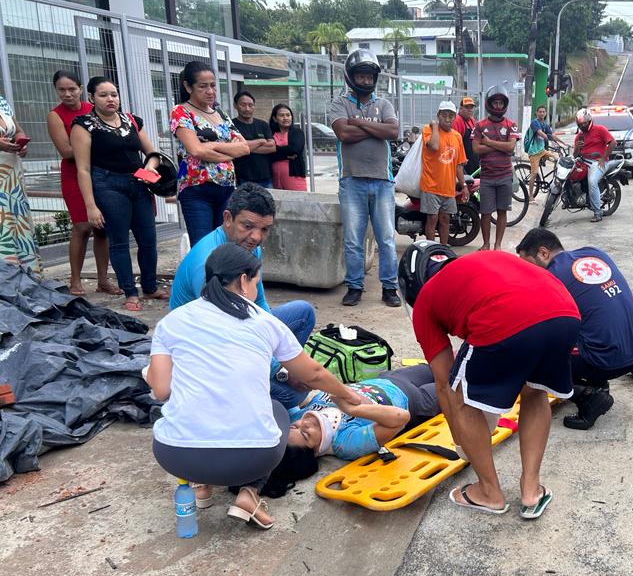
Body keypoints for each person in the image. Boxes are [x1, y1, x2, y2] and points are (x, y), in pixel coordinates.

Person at [148, 243, 358, 530]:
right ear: (244, 280)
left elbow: (161, 391)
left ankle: (200, 486)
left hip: (176, 456)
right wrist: (346, 395)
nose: (256, 290)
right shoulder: (263, 322)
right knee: (277, 409)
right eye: (257, 282)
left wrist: (151, 372)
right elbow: (314, 373)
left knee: (192, 408)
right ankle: (249, 493)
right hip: (253, 459)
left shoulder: (171, 322)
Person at [400, 240, 581, 519]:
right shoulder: (479, 263)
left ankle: (489, 492)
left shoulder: (425, 301)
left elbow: (444, 384)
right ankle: (531, 492)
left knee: (460, 398)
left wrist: (461, 441)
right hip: (565, 312)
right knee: (534, 392)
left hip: (508, 315)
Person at [169, 182, 316, 410]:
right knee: (294, 397)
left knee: (303, 312)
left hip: (237, 327)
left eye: (264, 229)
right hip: (206, 350)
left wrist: (285, 362)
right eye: (248, 226)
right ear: (228, 218)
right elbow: (227, 334)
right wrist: (284, 371)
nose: (256, 237)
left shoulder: (247, 247)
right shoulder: (208, 263)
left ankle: (264, 377)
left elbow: (260, 304)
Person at [516, 228, 633, 430]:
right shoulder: (594, 253)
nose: (529, 273)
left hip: (609, 359)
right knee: (585, 325)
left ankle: (588, 396)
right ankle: (597, 382)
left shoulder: (551, 277)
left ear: (543, 253)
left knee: (530, 354)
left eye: (529, 265)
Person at [70, 77, 163, 312]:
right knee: (119, 240)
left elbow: (152, 152)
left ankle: (150, 287)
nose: (111, 99)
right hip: (107, 184)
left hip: (138, 183)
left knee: (148, 239)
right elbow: (82, 168)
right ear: (91, 98)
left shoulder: (130, 120)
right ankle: (130, 292)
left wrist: (150, 166)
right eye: (103, 95)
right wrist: (90, 205)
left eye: (114, 94)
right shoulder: (83, 125)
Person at [272, 364, 441, 486]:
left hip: (388, 380)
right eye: (305, 434)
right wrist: (354, 409)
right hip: (415, 400)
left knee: (442, 362)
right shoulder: (344, 442)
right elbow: (400, 418)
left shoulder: (298, 416)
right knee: (458, 381)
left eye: (295, 426)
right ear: (315, 452)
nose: (305, 424)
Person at [328, 48, 401, 308]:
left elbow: (393, 131)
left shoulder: (384, 104)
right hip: (352, 181)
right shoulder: (339, 103)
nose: (366, 81)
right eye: (361, 76)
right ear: (351, 77)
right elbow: (343, 135)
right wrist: (374, 129)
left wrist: (358, 122)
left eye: (370, 77)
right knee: (353, 239)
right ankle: (354, 286)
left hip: (382, 181)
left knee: (387, 239)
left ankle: (390, 287)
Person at [47, 70, 118, 295]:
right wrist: (96, 146)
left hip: (99, 173)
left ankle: (103, 280)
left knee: (101, 229)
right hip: (73, 175)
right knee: (81, 227)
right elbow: (66, 150)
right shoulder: (55, 115)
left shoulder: (93, 108)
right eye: (62, 90)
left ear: (81, 90)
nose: (67, 94)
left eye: (72, 89)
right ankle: (75, 280)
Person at [171, 60, 249, 245]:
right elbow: (195, 150)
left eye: (213, 86)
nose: (210, 91)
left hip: (227, 188)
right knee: (204, 247)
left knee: (225, 244)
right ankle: (202, 276)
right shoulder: (181, 112)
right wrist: (230, 152)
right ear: (188, 87)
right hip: (197, 188)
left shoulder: (221, 114)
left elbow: (244, 148)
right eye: (203, 86)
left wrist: (212, 146)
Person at [471, 87, 519, 251]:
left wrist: (489, 142)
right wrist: (502, 147)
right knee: (485, 212)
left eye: (501, 103)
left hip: (505, 175)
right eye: (495, 102)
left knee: (502, 211)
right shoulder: (479, 125)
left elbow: (511, 147)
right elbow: (476, 149)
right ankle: (486, 244)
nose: (498, 106)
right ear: (489, 104)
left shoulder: (511, 125)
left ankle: (498, 245)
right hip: (487, 176)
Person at [420, 100, 467, 245]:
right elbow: (434, 146)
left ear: (455, 117)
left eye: (451, 116)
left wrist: (464, 185)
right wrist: (434, 127)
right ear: (438, 115)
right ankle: (430, 249)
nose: (447, 119)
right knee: (432, 218)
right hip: (430, 185)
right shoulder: (428, 130)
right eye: (444, 115)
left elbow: (459, 164)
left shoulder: (457, 137)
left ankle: (443, 249)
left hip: (448, 187)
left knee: (445, 219)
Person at [0, 95, 39, 270]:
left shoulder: (1, 102)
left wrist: (21, 142)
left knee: (14, 222)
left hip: (11, 177)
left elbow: (17, 129)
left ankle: (21, 274)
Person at [573, 109, 615, 224]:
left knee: (592, 181)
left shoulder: (600, 129)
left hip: (598, 162)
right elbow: (575, 155)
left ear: (589, 121)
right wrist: (577, 147)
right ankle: (569, 198)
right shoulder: (579, 136)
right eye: (580, 125)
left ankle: (598, 212)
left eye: (584, 124)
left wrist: (603, 157)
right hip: (583, 161)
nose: (582, 126)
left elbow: (613, 142)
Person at [231, 90, 275, 188]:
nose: (247, 109)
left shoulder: (263, 124)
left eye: (250, 105)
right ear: (235, 105)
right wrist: (261, 141)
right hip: (243, 179)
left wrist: (245, 147)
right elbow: (234, 149)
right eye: (243, 105)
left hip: (266, 179)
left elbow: (272, 147)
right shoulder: (231, 125)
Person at [268, 103, 307, 191]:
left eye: (288, 115)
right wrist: (286, 155)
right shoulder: (270, 134)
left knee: (298, 202)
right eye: (281, 115)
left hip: (294, 176)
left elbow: (295, 149)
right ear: (275, 118)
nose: (285, 118)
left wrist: (275, 151)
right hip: (274, 178)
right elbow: (267, 154)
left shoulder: (297, 132)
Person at [524, 105, 558, 203]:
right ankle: (530, 197)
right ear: (537, 113)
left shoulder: (545, 124)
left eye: (543, 112)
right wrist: (549, 138)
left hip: (542, 151)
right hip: (534, 152)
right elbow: (540, 133)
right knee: (534, 174)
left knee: (557, 159)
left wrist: (558, 144)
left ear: (546, 113)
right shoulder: (534, 123)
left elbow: (551, 135)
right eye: (540, 112)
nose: (542, 113)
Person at [452, 96, 479, 175]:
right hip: (464, 161)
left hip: (473, 159)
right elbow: (455, 143)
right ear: (460, 109)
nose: (470, 109)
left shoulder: (472, 120)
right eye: (467, 107)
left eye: (471, 107)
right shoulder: (457, 120)